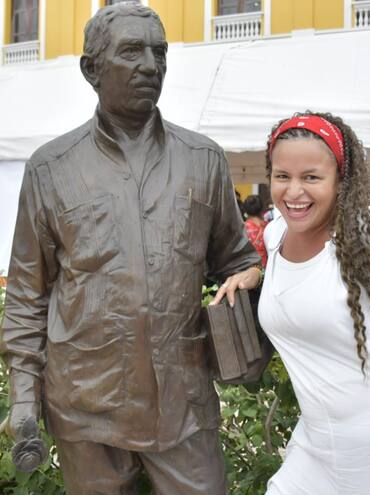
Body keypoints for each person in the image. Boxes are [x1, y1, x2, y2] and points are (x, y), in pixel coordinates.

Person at [0, 4, 261, 493]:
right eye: (131, 52)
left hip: (181, 403)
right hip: (85, 404)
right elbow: (26, 295)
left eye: (159, 53)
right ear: (91, 70)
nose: (150, 66)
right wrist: (22, 398)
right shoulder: (50, 167)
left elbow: (237, 259)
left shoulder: (203, 160)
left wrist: (248, 278)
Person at [210, 111, 370, 493]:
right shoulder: (276, 234)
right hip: (317, 453)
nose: (293, 192)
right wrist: (256, 275)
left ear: (340, 179)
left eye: (311, 177)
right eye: (282, 176)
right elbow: (306, 286)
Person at [243, 194, 269, 267]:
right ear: (262, 209)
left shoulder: (243, 228)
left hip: (248, 267)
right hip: (266, 266)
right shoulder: (269, 227)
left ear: (246, 210)